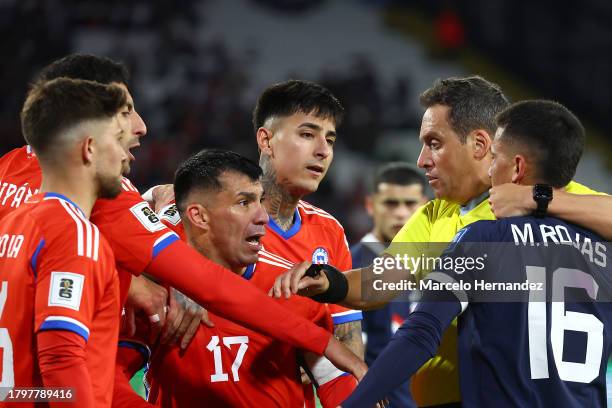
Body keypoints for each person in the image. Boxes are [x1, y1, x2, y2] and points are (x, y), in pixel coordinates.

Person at [0, 54, 367, 376]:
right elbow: (210, 285)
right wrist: (151, 282)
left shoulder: (8, 176)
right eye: (124, 111)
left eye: (330, 140)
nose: (141, 126)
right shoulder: (104, 210)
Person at [270, 76, 609, 407]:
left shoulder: (538, 208)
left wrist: (535, 197)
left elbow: (420, 333)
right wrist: (332, 281)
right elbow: (379, 280)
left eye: (434, 143)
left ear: (479, 144)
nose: (421, 160)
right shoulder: (436, 216)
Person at [114, 149, 362, 408]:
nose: (263, 217)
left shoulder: (291, 285)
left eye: (260, 201)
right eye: (244, 203)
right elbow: (108, 377)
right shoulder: (154, 293)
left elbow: (334, 378)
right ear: (199, 216)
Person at [0, 78, 129, 407]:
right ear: (89, 148)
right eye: (117, 138)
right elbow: (61, 359)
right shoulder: (75, 235)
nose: (126, 151)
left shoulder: (12, 225)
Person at [350, 162, 427, 408]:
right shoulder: (352, 265)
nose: (402, 214)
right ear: (371, 205)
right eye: (391, 203)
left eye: (410, 204)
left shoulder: (439, 261)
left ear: (425, 205)